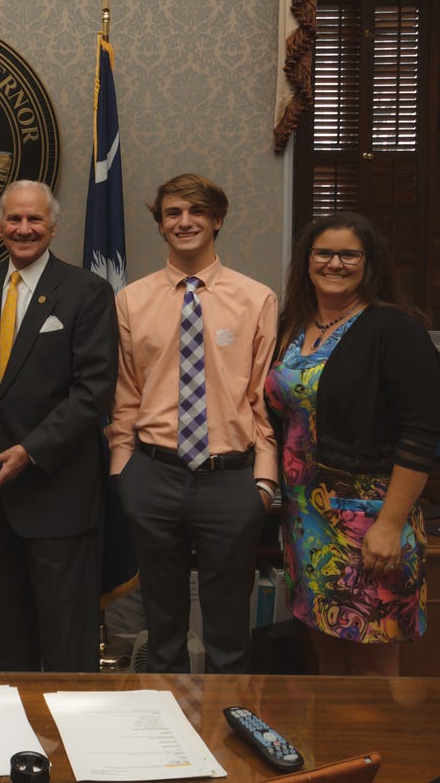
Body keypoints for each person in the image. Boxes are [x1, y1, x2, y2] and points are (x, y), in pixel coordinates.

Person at [107, 173, 278, 674]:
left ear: (217, 219)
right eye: (172, 213)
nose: (184, 222)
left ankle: (228, 737)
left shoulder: (257, 299)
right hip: (153, 474)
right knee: (161, 627)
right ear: (160, 226)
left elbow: (264, 398)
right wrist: (124, 472)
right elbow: (126, 393)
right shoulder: (131, 300)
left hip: (231, 477)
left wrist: (263, 483)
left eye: (196, 211)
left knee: (228, 631)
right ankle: (167, 733)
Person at [265, 211, 438, 676]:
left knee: (373, 657)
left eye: (348, 254)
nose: (334, 263)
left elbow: (420, 435)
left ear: (369, 262)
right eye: (323, 252)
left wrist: (390, 524)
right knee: (326, 650)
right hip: (305, 518)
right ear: (307, 260)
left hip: (369, 518)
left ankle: (379, 750)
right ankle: (338, 751)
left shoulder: (395, 330)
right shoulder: (293, 326)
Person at [0, 179, 118, 672]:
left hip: (57, 492)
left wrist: (28, 451)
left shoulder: (86, 290)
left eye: (34, 220)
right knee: (5, 642)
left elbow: (93, 392)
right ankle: (14, 742)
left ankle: (71, 746)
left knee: (67, 640)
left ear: (52, 226)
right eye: (14, 219)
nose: (23, 229)